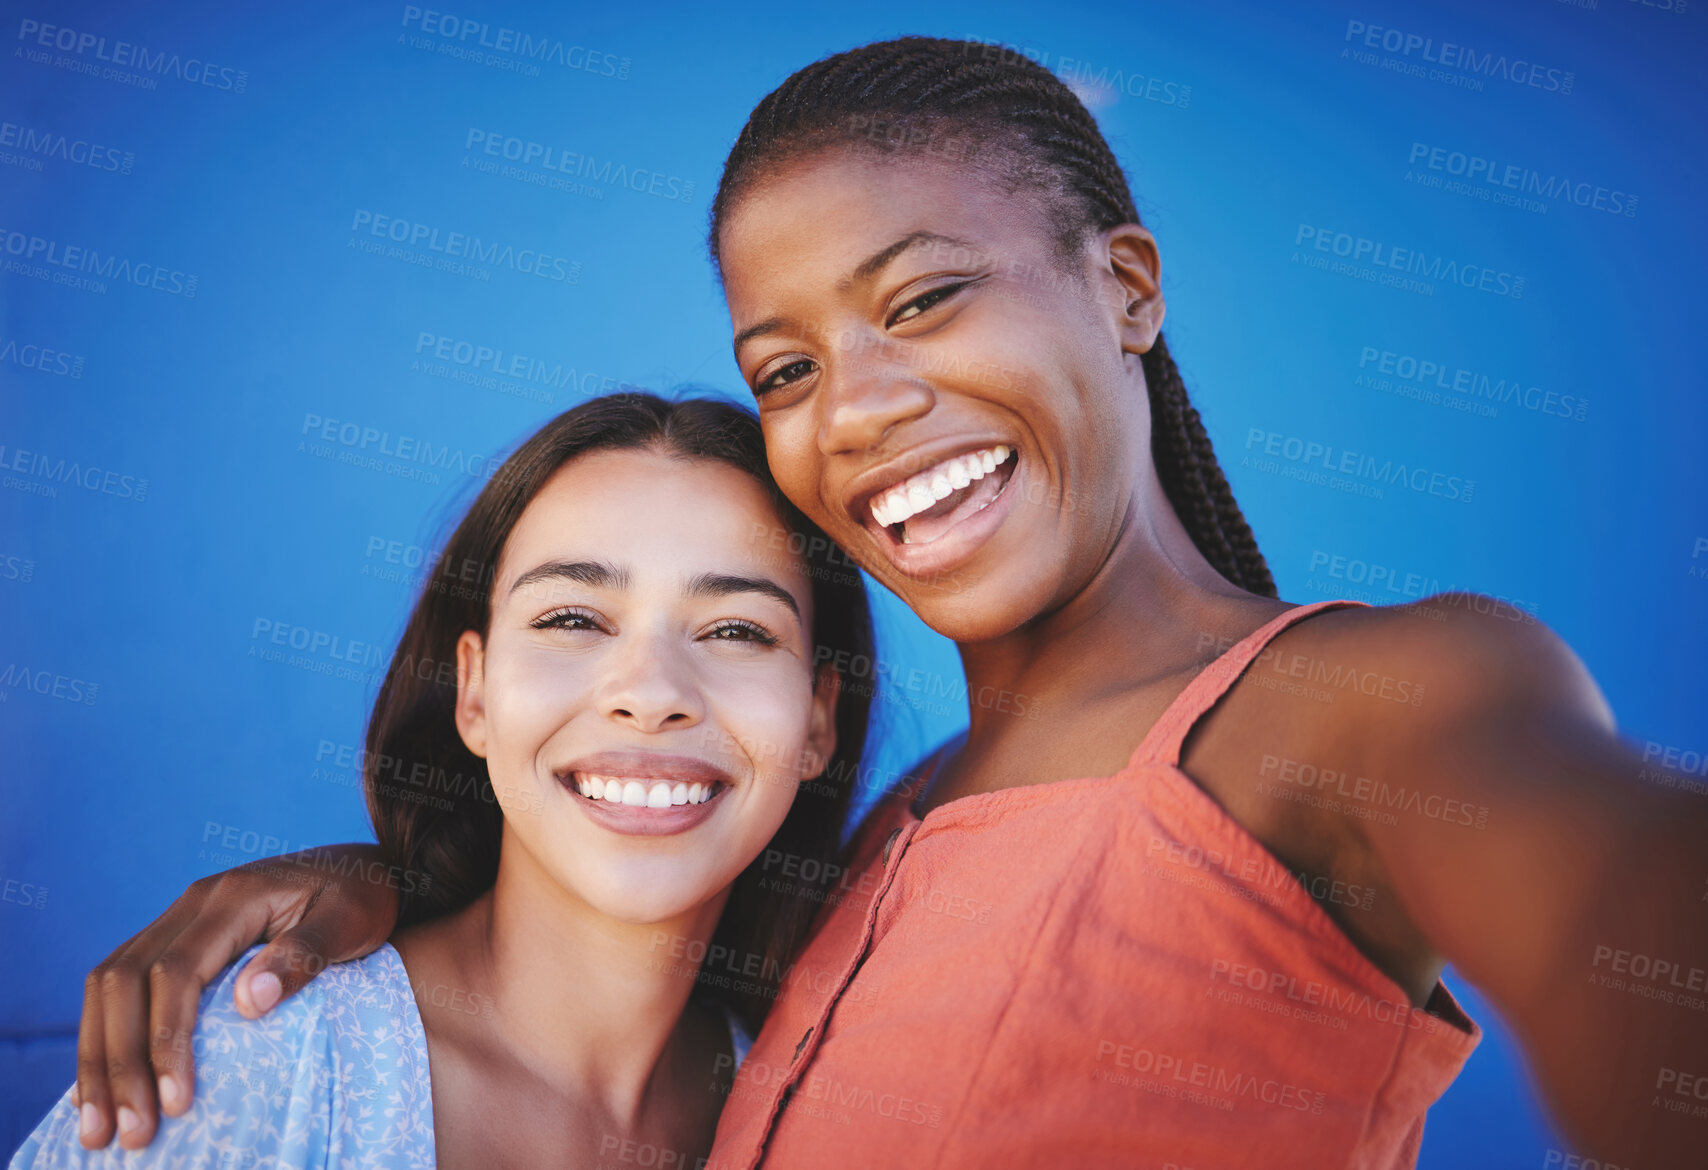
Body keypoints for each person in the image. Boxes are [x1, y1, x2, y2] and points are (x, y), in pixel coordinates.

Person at [62, 38, 1705, 1170]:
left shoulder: (1347, 710)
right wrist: (381, 884)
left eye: (922, 297)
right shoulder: (867, 851)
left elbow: (1624, 918)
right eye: (786, 368)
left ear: (1125, 288)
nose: (851, 410)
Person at [12, 393, 874, 1168]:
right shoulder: (259, 1063)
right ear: (475, 692)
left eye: (736, 631)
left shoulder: (814, 1112)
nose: (651, 694)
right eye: (572, 618)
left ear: (817, 720)